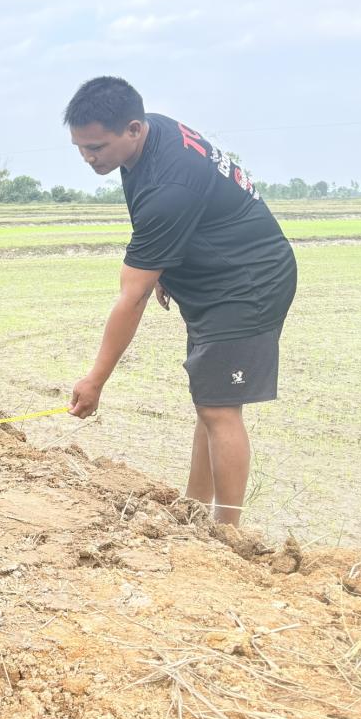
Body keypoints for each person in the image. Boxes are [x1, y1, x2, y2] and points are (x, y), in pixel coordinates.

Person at [64, 77, 296, 526]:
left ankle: (228, 532)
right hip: (219, 278)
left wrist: (95, 380)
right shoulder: (150, 137)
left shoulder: (171, 186)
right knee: (210, 399)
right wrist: (165, 266)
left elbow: (130, 300)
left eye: (96, 147)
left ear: (133, 128)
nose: (88, 157)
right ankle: (192, 510)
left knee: (219, 408)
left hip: (246, 286)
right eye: (80, 147)